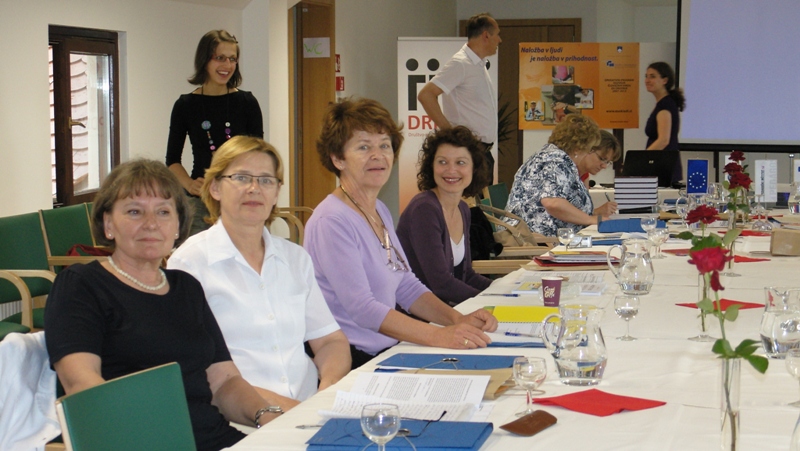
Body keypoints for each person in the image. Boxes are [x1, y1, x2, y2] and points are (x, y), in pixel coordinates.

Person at [44, 160, 279, 451]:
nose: (151, 223)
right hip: (139, 443)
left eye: (164, 212)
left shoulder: (187, 287)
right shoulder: (82, 285)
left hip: (215, 440)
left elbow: (224, 382)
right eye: (134, 211)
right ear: (108, 224)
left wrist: (270, 418)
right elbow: (82, 387)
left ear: (178, 226)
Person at [304, 98, 498, 369]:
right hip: (353, 361)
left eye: (385, 145)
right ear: (338, 158)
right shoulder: (332, 221)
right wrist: (438, 335)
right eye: (364, 147)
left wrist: (457, 319)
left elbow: (405, 285)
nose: (378, 155)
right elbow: (363, 309)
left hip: (388, 349)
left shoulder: (378, 209)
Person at [168, 136, 350, 408]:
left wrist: (326, 391)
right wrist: (294, 411)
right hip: (242, 417)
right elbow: (198, 370)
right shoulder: (189, 263)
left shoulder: (295, 258)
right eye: (241, 178)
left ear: (276, 193)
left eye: (266, 180)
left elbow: (329, 341)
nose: (254, 188)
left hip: (308, 408)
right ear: (215, 187)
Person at [166, 30, 264, 235]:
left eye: (232, 59)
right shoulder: (185, 105)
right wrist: (190, 185)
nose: (227, 65)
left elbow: (259, 155)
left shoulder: (247, 103)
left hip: (242, 197)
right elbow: (172, 160)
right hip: (201, 202)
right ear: (204, 60)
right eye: (219, 58)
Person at [397, 126, 492, 307]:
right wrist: (492, 302)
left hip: (447, 312)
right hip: (419, 316)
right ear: (431, 166)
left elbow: (467, 275)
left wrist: (505, 290)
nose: (451, 170)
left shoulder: (463, 209)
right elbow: (441, 284)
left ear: (474, 168)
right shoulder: (424, 209)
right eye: (442, 162)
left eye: (461, 162)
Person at [417, 12, 501, 180]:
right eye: (497, 34)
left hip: (482, 152)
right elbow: (426, 95)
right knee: (468, 197)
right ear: (486, 35)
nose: (500, 40)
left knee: (480, 198)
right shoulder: (460, 63)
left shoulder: (479, 65)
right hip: (468, 150)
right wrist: (451, 134)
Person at [505, 114, 618, 236]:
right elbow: (553, 203)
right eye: (588, 149)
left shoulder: (555, 158)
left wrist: (591, 216)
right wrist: (590, 219)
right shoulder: (555, 160)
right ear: (578, 147)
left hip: (543, 236)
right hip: (536, 239)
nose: (587, 153)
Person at [644, 61, 686, 184]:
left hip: (664, 167)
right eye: (646, 76)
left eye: (652, 76)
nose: (647, 80)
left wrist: (641, 159)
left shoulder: (665, 105)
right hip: (662, 165)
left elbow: (663, 140)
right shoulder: (664, 104)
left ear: (665, 80)